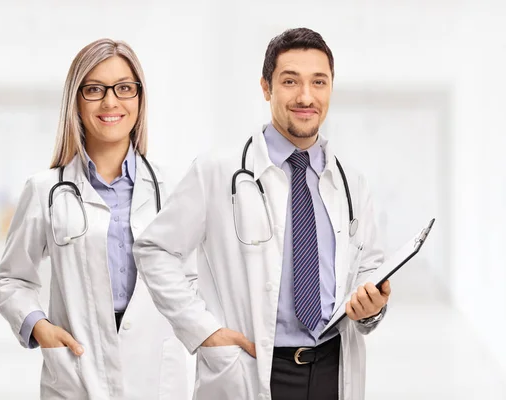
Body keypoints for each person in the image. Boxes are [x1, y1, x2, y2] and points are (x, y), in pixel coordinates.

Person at [133, 28, 390, 400]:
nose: (306, 96)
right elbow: (154, 249)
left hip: (333, 370)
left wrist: (371, 308)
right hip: (251, 368)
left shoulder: (352, 182)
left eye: (319, 82)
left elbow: (369, 269)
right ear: (266, 88)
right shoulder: (216, 171)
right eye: (290, 81)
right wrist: (202, 329)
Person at [0, 38, 194, 400]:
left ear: (139, 98)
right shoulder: (44, 189)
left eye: (124, 88)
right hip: (77, 368)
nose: (110, 101)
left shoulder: (175, 186)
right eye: (95, 89)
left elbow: (191, 278)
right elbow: (10, 279)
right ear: (76, 101)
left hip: (156, 368)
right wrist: (39, 327)